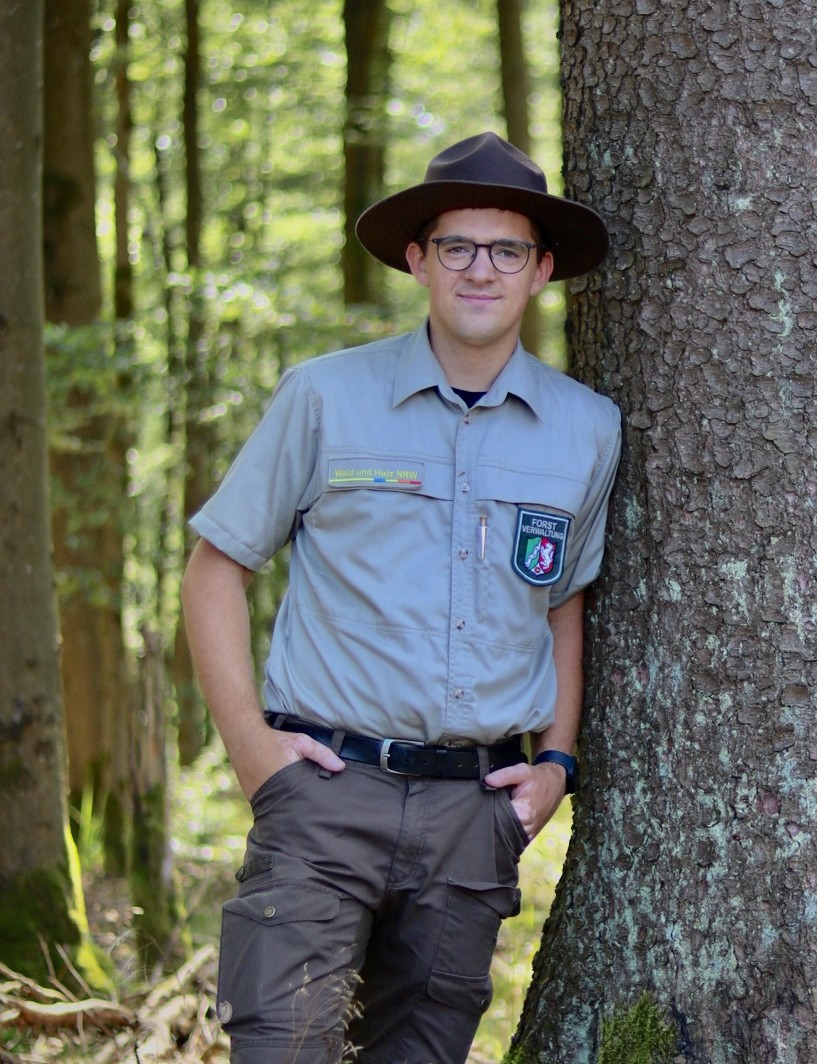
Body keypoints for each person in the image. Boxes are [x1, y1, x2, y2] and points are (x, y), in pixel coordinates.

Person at [181, 131, 621, 1064]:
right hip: (325, 797)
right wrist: (257, 757)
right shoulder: (324, 398)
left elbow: (564, 606)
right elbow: (217, 569)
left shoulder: (587, 429)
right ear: (418, 259)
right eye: (457, 246)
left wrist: (557, 767)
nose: (480, 270)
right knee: (281, 1047)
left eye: (506, 250)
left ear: (541, 269)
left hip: (474, 815)